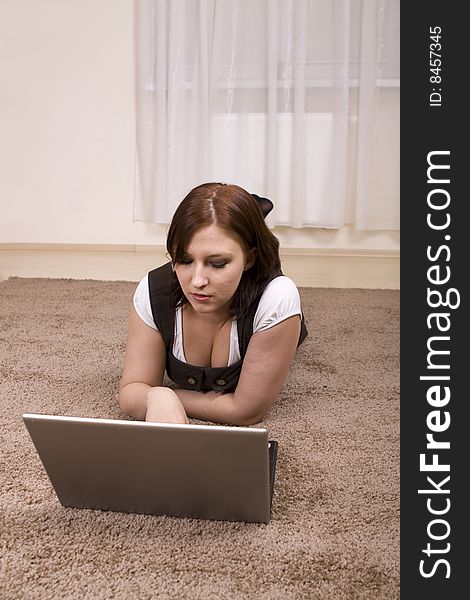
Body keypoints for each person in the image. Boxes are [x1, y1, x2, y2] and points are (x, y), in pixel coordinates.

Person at [117, 182, 307, 426]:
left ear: (248, 259)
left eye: (217, 264)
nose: (197, 281)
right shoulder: (153, 291)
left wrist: (170, 395)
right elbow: (131, 390)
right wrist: (156, 394)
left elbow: (245, 411)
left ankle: (254, 210)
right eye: (184, 259)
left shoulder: (277, 299)